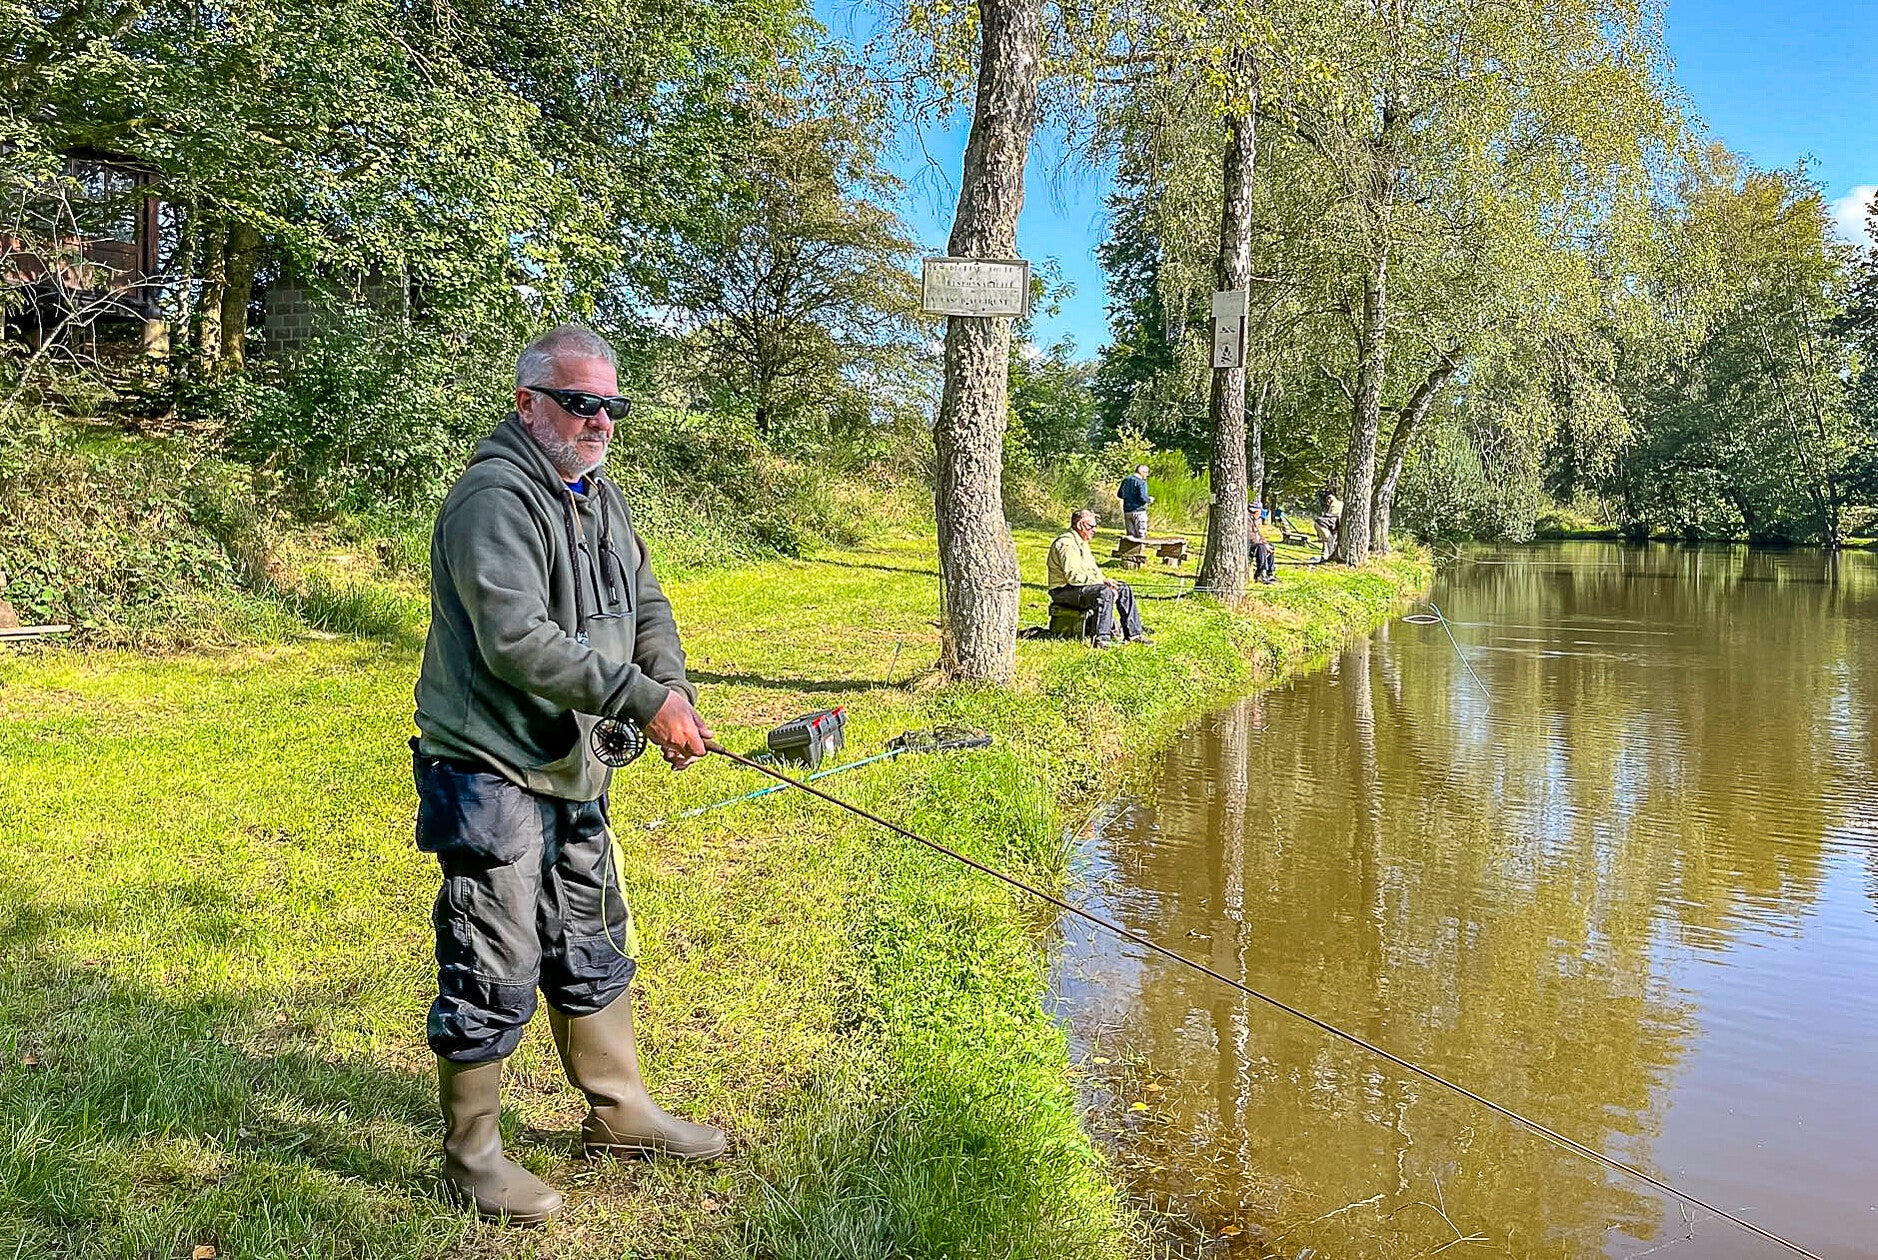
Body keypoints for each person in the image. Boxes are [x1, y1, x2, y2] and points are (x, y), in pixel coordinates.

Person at [412, 324, 724, 1226]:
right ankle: (472, 1156)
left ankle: (619, 1114)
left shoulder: (599, 494)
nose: (599, 421)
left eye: (610, 405)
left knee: (589, 935)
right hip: (490, 766)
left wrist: (669, 689)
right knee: (494, 955)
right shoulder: (492, 498)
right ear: (528, 403)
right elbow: (516, 642)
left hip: (574, 765)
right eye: (580, 402)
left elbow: (647, 601)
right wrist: (638, 699)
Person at [1047, 508, 1151, 648]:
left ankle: (1134, 634)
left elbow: (1093, 570)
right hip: (1063, 591)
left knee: (1123, 588)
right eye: (1091, 526)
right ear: (1080, 525)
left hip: (1080, 588)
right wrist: (1102, 585)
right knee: (1104, 592)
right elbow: (1074, 578)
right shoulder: (1066, 544)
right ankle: (1102, 639)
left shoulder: (1082, 542)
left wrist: (1105, 581)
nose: (1095, 530)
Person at [1118, 464, 1153, 540]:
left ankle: (1129, 548)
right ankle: (1141, 548)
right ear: (1140, 471)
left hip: (1127, 511)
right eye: (1146, 472)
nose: (1147, 475)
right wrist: (1149, 499)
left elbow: (1120, 494)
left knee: (1130, 536)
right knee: (1141, 535)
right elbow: (1142, 497)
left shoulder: (1126, 480)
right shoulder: (1141, 482)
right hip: (1139, 511)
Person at [1313, 484, 1343, 562]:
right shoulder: (1338, 503)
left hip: (1330, 525)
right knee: (1328, 541)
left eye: (1328, 500)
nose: (1327, 502)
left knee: (1329, 541)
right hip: (1330, 526)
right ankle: (1326, 557)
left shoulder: (1335, 504)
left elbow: (1333, 517)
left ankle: (1326, 557)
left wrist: (1326, 516)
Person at [1249, 516, 1277, 585]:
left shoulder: (1253, 520)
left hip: (1257, 543)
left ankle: (1270, 573)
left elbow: (1259, 535)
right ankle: (1261, 573)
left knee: (1270, 546)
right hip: (1249, 546)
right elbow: (1250, 536)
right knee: (1261, 547)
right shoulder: (1247, 520)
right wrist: (1263, 545)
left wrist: (1266, 544)